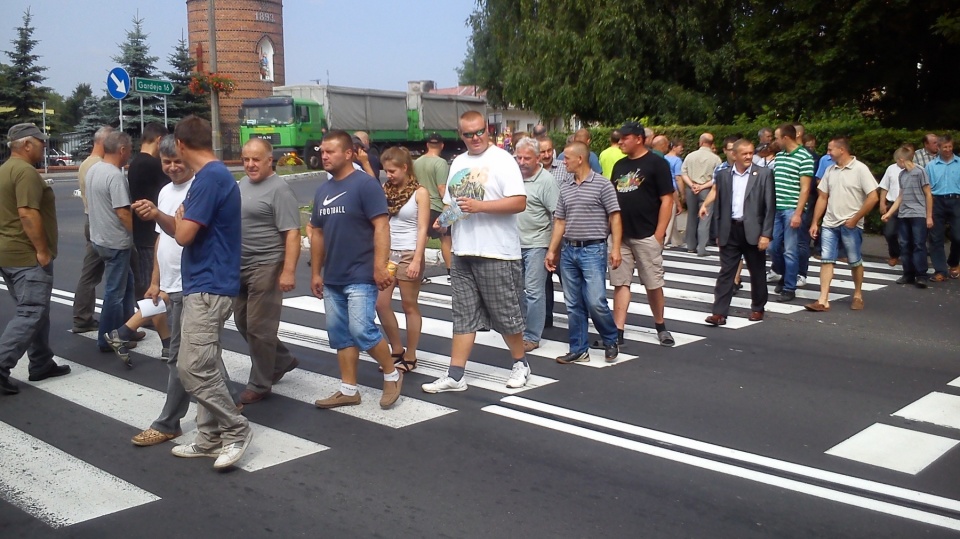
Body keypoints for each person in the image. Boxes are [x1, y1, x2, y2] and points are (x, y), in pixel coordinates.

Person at [421, 111, 530, 393]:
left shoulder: (502, 160)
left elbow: (519, 202)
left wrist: (480, 207)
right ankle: (456, 374)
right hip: (463, 250)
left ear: (488, 129)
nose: (475, 138)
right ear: (461, 135)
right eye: (468, 134)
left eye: (480, 131)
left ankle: (520, 363)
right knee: (463, 315)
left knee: (505, 314)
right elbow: (452, 204)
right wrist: (443, 222)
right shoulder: (458, 161)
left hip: (497, 251)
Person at [170, 115, 253, 470]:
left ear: (181, 146)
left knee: (192, 370)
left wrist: (178, 218)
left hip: (209, 285)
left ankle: (236, 429)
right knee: (205, 364)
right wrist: (175, 217)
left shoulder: (209, 179)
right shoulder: (218, 176)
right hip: (207, 283)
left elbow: (184, 235)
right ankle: (208, 438)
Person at [308, 130, 404, 409]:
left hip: (361, 272)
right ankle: (349, 389)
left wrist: (380, 266)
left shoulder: (365, 185)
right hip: (334, 275)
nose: (323, 156)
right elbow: (317, 234)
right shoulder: (323, 190)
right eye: (322, 151)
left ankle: (392, 374)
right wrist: (316, 272)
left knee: (362, 330)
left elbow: (381, 225)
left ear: (349, 153)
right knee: (340, 334)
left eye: (330, 151)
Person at [126, 135, 196, 445]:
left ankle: (168, 422)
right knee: (202, 351)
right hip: (170, 282)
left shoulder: (198, 189)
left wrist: (157, 214)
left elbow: (181, 232)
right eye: (166, 162)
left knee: (179, 356)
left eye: (177, 161)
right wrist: (155, 281)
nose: (172, 167)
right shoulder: (166, 191)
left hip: (192, 284)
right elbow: (160, 239)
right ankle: (231, 398)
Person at [0, 123, 70, 395]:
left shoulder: (5, 170)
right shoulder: (25, 172)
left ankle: (41, 362)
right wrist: (41, 250)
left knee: (36, 309)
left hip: (9, 252)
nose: (44, 147)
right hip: (25, 254)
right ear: (26, 144)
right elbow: (28, 213)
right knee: (30, 312)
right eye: (41, 143)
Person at [233, 139, 301, 405]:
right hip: (240, 265)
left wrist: (288, 271)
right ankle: (282, 359)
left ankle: (260, 383)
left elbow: (292, 234)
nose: (250, 164)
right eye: (246, 159)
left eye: (256, 159)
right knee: (243, 322)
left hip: (267, 264)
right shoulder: (242, 184)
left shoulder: (279, 189)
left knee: (260, 328)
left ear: (269, 160)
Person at [545, 141, 621, 363]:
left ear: (580, 159)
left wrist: (615, 247)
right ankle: (579, 348)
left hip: (593, 249)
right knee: (573, 302)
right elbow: (560, 221)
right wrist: (552, 251)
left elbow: (615, 216)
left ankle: (610, 338)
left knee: (596, 300)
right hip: (569, 249)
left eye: (566, 158)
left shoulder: (602, 185)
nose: (563, 161)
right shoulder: (566, 186)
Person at [603, 121, 676, 347]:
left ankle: (660, 324)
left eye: (625, 138)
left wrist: (659, 234)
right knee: (620, 283)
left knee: (653, 282)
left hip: (647, 234)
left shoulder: (657, 163)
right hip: (621, 235)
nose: (621, 142)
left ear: (638, 139)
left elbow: (667, 199)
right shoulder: (620, 165)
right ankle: (618, 329)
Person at [699, 140, 775, 324]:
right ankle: (719, 312)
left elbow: (769, 206)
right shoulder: (724, 175)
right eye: (745, 154)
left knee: (756, 272)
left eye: (751, 153)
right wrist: (718, 232)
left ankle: (758, 307)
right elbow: (721, 205)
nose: (749, 156)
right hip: (730, 229)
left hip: (753, 231)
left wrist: (766, 234)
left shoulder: (764, 174)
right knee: (727, 272)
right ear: (735, 155)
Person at [806, 137, 878, 312]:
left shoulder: (860, 169)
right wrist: (815, 221)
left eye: (831, 149)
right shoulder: (830, 170)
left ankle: (858, 294)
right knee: (826, 260)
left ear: (842, 150)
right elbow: (823, 197)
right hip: (830, 223)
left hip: (851, 224)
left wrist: (855, 218)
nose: (828, 153)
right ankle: (823, 299)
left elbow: (873, 196)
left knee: (854, 261)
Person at [375, 146, 429, 372]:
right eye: (386, 171)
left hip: (409, 253)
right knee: (381, 303)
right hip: (389, 253)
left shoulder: (420, 193)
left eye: (392, 171)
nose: (389, 175)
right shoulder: (385, 190)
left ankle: (411, 354)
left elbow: (422, 227)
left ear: (405, 168)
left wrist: (417, 259)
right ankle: (396, 347)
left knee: (409, 305)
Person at [87, 131, 137, 357]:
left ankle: (128, 328)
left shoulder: (94, 169)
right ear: (122, 150)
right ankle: (107, 338)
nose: (130, 154)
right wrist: (134, 236)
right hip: (116, 242)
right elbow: (122, 212)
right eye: (130, 150)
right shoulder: (115, 175)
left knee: (128, 284)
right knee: (114, 293)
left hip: (99, 238)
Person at [515, 137, 559, 352]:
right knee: (517, 291)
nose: (522, 162)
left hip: (537, 243)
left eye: (527, 158)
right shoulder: (513, 176)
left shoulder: (546, 181)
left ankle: (532, 336)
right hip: (513, 244)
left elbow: (558, 215)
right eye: (519, 157)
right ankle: (521, 330)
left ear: (538, 157)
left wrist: (553, 249)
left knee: (534, 291)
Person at [72, 126, 112, 333]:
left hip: (90, 220)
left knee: (90, 273)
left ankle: (82, 316)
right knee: (123, 273)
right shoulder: (101, 166)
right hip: (101, 223)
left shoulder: (85, 164)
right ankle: (126, 322)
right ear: (104, 142)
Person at [768, 124, 814, 302]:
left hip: (791, 208)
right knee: (773, 246)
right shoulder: (779, 157)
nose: (775, 141)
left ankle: (789, 286)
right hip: (777, 208)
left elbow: (805, 189)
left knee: (790, 249)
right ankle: (785, 274)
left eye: (777, 137)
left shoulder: (804, 157)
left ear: (786, 138)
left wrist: (798, 213)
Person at [882, 146, 934, 288]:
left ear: (901, 159)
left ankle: (921, 275)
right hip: (904, 213)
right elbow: (900, 196)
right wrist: (889, 213)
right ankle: (908, 273)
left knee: (918, 244)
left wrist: (928, 216)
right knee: (905, 244)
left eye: (897, 161)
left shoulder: (920, 172)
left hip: (918, 213)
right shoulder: (902, 175)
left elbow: (928, 194)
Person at [128, 122, 169, 299]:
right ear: (159, 140)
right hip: (152, 231)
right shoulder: (153, 165)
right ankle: (150, 317)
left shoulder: (135, 163)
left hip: (139, 229)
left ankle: (146, 317)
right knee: (153, 280)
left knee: (144, 277)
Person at [414, 132, 452, 275]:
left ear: (427, 145)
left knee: (421, 240)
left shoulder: (417, 162)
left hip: (420, 205)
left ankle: (417, 270)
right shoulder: (440, 163)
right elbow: (441, 188)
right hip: (436, 205)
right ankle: (450, 272)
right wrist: (449, 205)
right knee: (446, 239)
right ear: (442, 145)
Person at [925, 134, 960, 282]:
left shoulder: (959, 163)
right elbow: (927, 188)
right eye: (944, 147)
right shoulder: (931, 166)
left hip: (956, 200)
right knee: (936, 237)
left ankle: (953, 262)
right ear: (938, 148)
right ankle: (940, 270)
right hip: (937, 201)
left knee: (958, 236)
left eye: (950, 146)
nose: (947, 149)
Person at [681, 133, 721, 256]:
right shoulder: (716, 159)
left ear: (701, 142)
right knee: (705, 218)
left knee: (691, 217)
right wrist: (702, 186)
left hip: (691, 188)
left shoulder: (690, 156)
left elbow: (683, 172)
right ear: (711, 143)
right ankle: (701, 247)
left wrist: (692, 185)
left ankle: (691, 245)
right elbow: (717, 177)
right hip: (706, 189)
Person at [877, 149, 909, 266]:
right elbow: (884, 187)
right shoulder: (891, 169)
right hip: (892, 204)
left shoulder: (914, 169)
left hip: (907, 206)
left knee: (906, 235)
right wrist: (882, 203)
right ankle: (894, 254)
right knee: (890, 233)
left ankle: (907, 258)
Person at [664, 138, 686, 247]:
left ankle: (676, 240)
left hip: (664, 187)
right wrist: (682, 193)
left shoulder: (663, 158)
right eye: (680, 147)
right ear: (674, 147)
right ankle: (665, 240)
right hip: (672, 188)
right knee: (671, 215)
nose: (682, 149)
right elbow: (678, 177)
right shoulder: (677, 160)